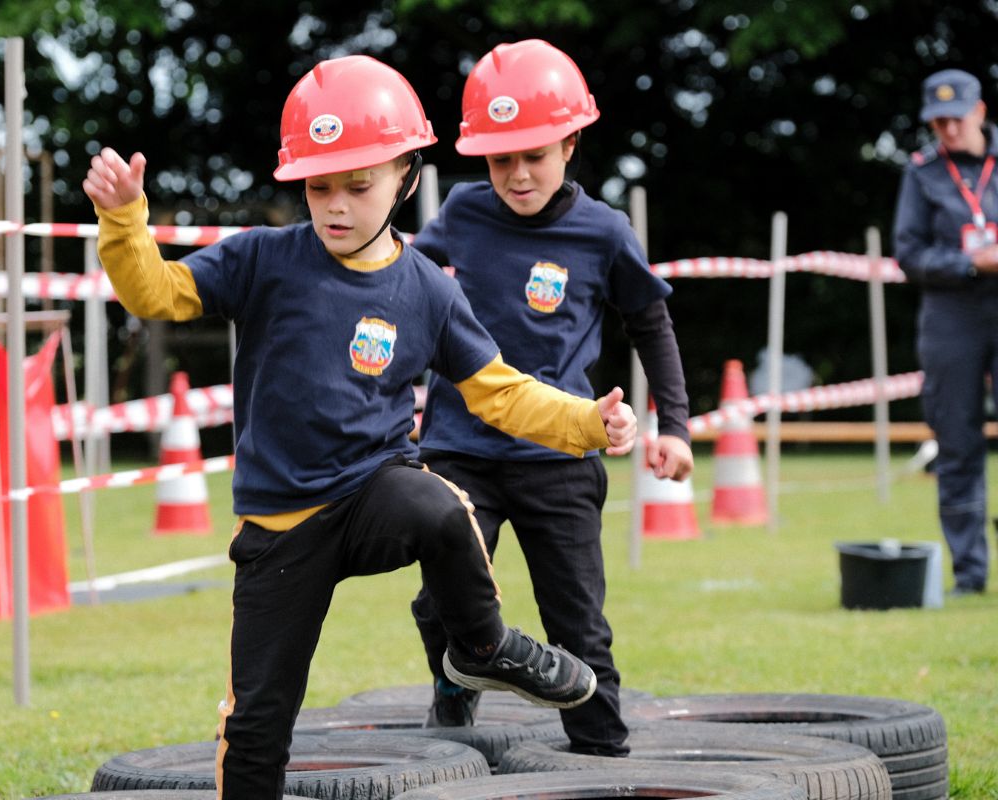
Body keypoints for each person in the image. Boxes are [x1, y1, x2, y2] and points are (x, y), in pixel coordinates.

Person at [82, 54, 638, 799]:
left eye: (358, 184)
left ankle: (481, 648)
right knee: (258, 722)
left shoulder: (428, 291)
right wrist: (124, 221)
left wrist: (589, 423)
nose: (336, 204)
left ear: (406, 176)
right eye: (319, 186)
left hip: (373, 493)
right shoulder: (265, 260)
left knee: (441, 506)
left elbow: (500, 394)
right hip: (281, 528)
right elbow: (156, 294)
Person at [408, 39, 693, 757]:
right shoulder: (463, 214)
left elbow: (650, 322)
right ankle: (455, 682)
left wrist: (676, 426)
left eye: (534, 154)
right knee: (442, 595)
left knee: (577, 620)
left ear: (570, 143)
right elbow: (403, 286)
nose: (517, 173)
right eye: (501, 158)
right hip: (458, 446)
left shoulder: (602, 232)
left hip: (560, 453)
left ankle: (601, 750)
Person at [893, 68, 998, 597]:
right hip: (951, 317)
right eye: (938, 122)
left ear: (979, 112)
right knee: (957, 445)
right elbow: (908, 254)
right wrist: (973, 262)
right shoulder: (922, 173)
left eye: (956, 119)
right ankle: (970, 573)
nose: (948, 130)